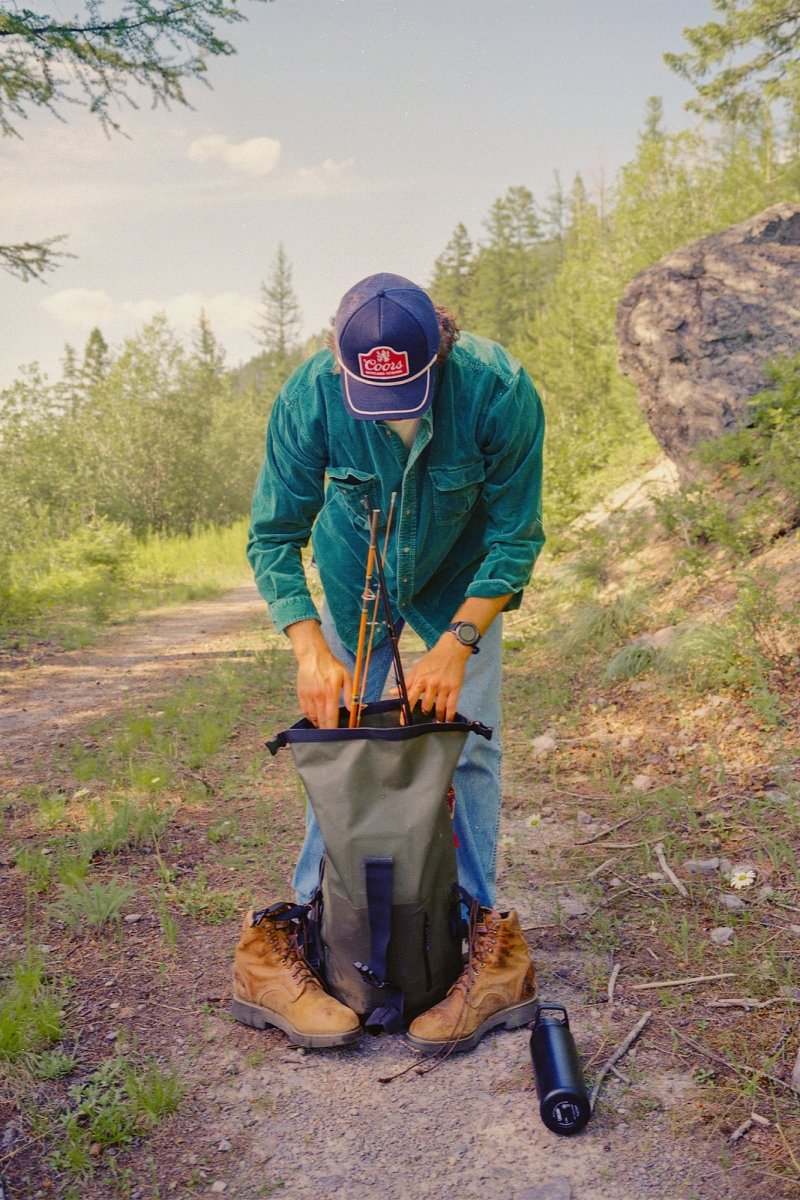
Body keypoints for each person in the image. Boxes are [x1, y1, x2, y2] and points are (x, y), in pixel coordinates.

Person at [232, 272, 545, 1052]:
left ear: (436, 353)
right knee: (337, 747)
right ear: (338, 364)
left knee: (468, 746)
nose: (392, 413)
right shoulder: (309, 397)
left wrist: (458, 640)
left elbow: (516, 536)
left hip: (457, 581)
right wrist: (308, 643)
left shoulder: (496, 390)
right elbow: (273, 534)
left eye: (407, 392)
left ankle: (481, 943)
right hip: (351, 579)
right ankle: (299, 936)